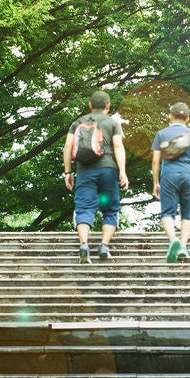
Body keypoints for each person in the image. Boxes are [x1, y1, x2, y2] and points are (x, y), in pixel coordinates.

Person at [63, 90, 128, 264]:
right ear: (108, 106)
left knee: (84, 207)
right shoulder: (112, 123)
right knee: (110, 208)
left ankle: (84, 245)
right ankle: (104, 246)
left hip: (85, 171)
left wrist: (68, 173)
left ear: (90, 105)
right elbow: (118, 147)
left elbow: (68, 147)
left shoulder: (77, 122)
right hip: (108, 170)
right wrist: (122, 171)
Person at [150, 102, 190, 262]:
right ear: (187, 118)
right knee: (187, 213)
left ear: (170, 116)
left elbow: (155, 161)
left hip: (169, 175)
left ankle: (173, 239)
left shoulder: (161, 134)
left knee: (167, 212)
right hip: (188, 175)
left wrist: (155, 182)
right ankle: (183, 247)